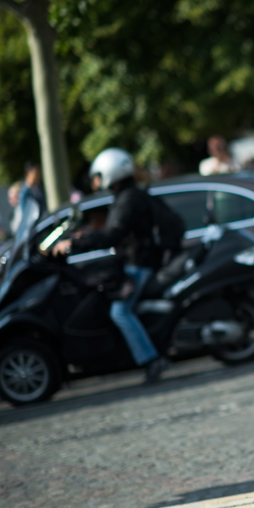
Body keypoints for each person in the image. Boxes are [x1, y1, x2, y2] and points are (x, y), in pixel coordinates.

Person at [52, 148, 171, 384]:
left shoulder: (129, 200)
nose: (95, 181)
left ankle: (151, 359)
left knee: (120, 312)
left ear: (110, 172)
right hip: (136, 261)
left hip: (139, 264)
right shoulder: (127, 197)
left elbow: (111, 235)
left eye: (98, 175)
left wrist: (75, 244)